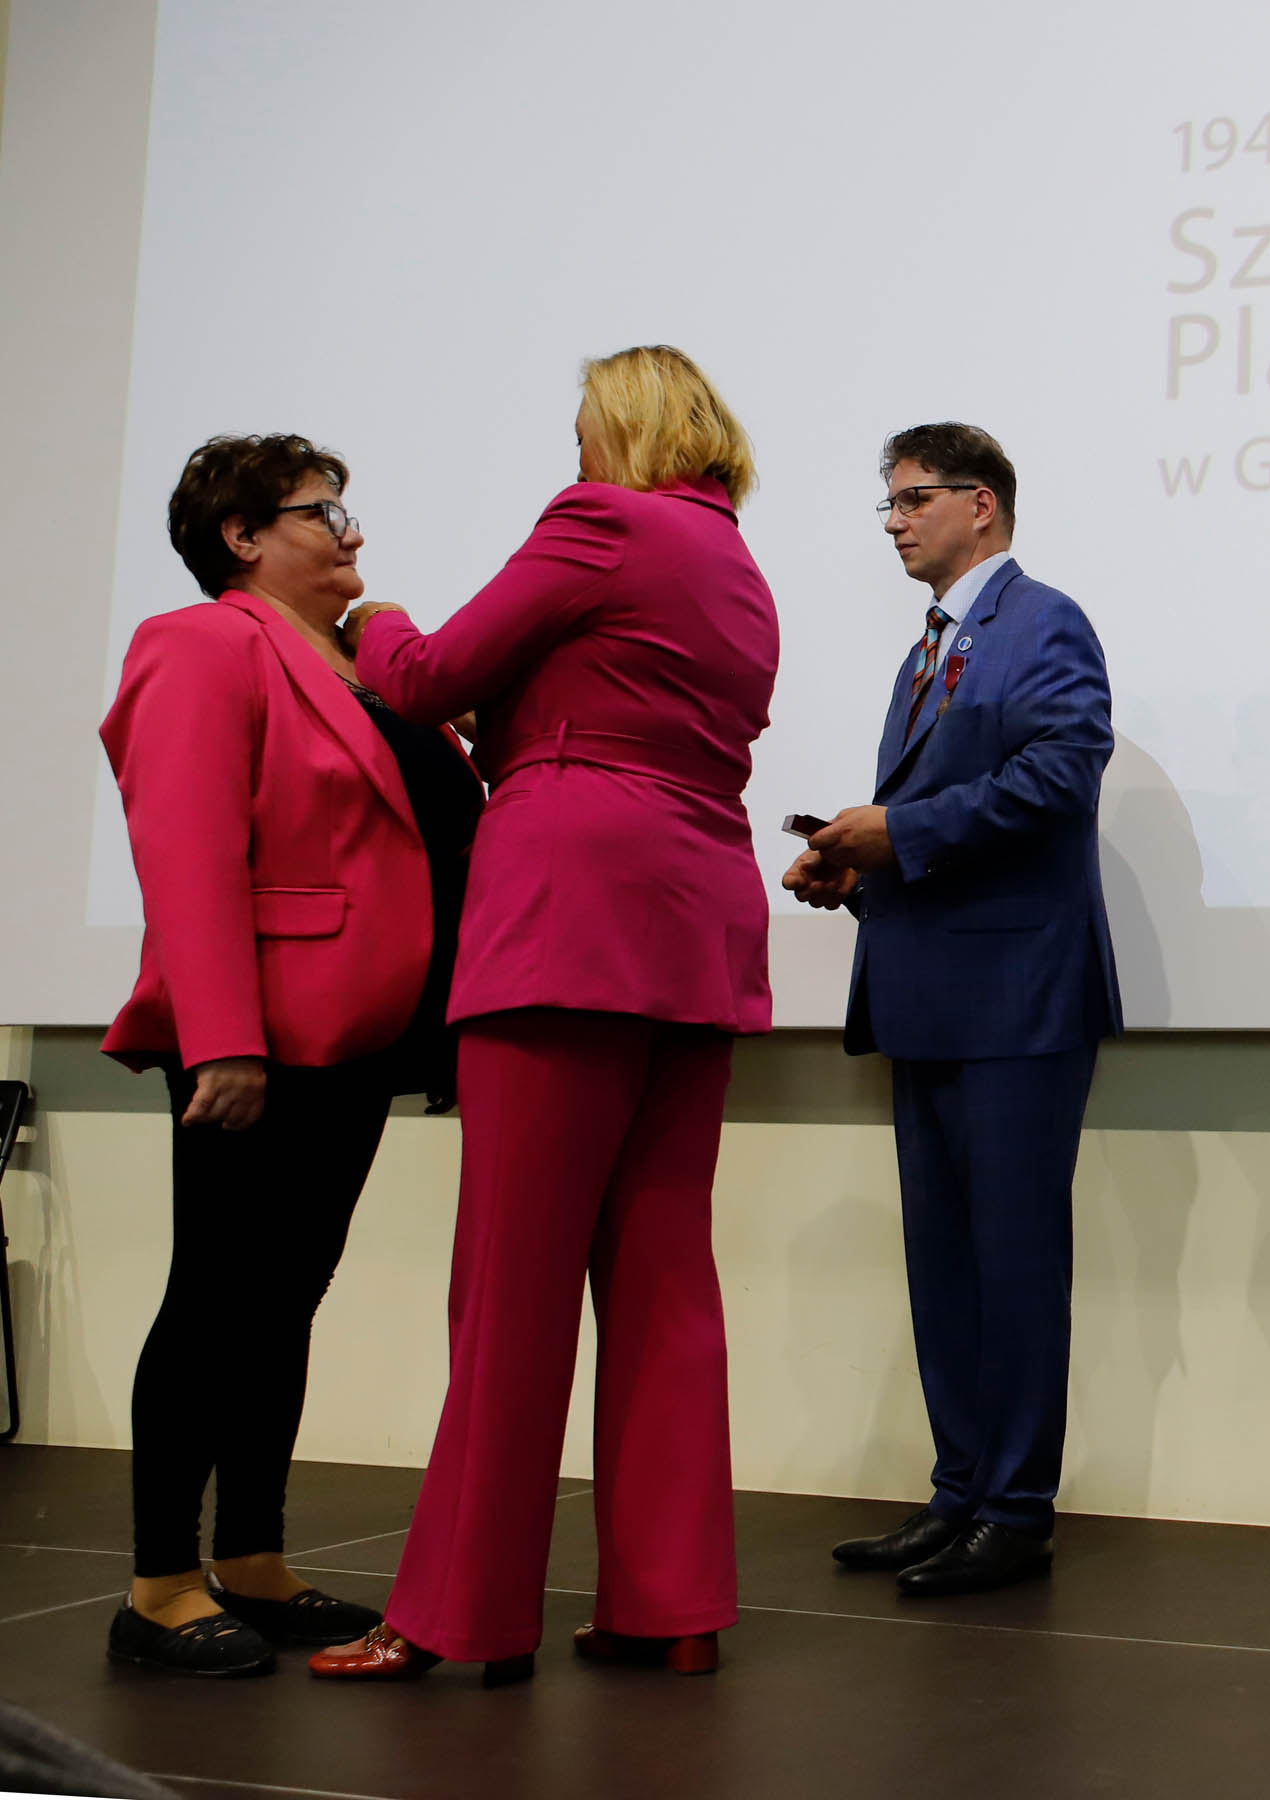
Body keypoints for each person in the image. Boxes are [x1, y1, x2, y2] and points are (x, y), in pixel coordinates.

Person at [307, 347, 778, 1683]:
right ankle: (670, 1607)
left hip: (569, 916)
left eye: (584, 431)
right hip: (697, 923)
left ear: (623, 432)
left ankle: (455, 1615)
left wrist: (377, 621)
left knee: (510, 1287)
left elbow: (425, 673)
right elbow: (624, 719)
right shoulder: (740, 567)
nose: (574, 457)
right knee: (664, 1278)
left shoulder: (601, 521)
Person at [99, 434, 481, 1678]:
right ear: (243, 536)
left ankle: (253, 1556)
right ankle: (160, 1585)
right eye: (325, 512)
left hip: (360, 1031)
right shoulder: (202, 643)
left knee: (284, 1299)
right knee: (214, 1299)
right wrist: (223, 1037)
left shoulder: (361, 665)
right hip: (256, 1036)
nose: (350, 532)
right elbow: (186, 847)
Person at [787, 422, 1122, 1596]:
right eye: (887, 503)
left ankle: (1016, 1512)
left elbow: (1062, 773)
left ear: (981, 503)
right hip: (930, 993)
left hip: (1017, 1001)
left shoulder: (1044, 622)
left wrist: (901, 832)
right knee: (945, 1267)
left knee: (1014, 1263)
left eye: (913, 498)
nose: (894, 521)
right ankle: (960, 1493)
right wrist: (857, 864)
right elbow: (944, 815)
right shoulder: (927, 650)